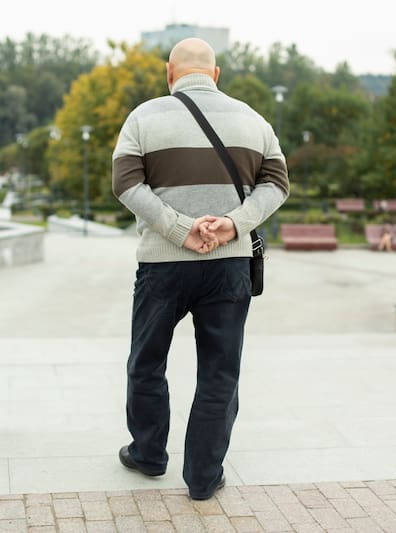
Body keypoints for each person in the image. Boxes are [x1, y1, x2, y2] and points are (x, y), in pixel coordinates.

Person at [112, 38, 289, 500]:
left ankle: (149, 455)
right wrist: (233, 225)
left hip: (162, 267)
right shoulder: (254, 121)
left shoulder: (142, 118)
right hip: (228, 267)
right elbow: (277, 183)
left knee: (147, 362)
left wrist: (178, 229)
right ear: (216, 74)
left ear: (170, 73)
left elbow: (124, 183)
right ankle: (203, 478)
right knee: (219, 372)